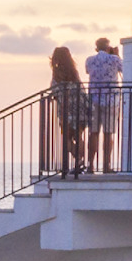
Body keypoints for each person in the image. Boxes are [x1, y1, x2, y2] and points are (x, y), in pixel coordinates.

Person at [49, 46, 92, 174]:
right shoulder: (74, 71)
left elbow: (54, 89)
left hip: (66, 108)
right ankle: (79, 160)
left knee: (66, 137)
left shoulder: (57, 73)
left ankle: (76, 158)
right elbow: (81, 87)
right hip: (79, 106)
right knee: (78, 135)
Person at [85, 37, 124, 173]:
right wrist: (116, 55)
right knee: (108, 133)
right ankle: (106, 166)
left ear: (96, 48)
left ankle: (90, 165)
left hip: (94, 99)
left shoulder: (89, 60)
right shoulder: (114, 59)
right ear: (108, 47)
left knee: (93, 133)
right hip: (111, 100)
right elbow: (124, 70)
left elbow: (88, 71)